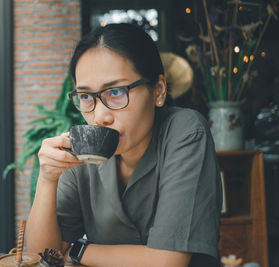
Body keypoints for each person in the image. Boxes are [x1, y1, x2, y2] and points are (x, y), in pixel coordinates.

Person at [26, 23, 222, 267]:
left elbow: (167, 262)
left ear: (158, 91)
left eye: (116, 92)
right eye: (86, 97)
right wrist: (47, 178)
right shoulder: (83, 146)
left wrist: (76, 251)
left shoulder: (185, 131)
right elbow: (39, 258)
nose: (100, 116)